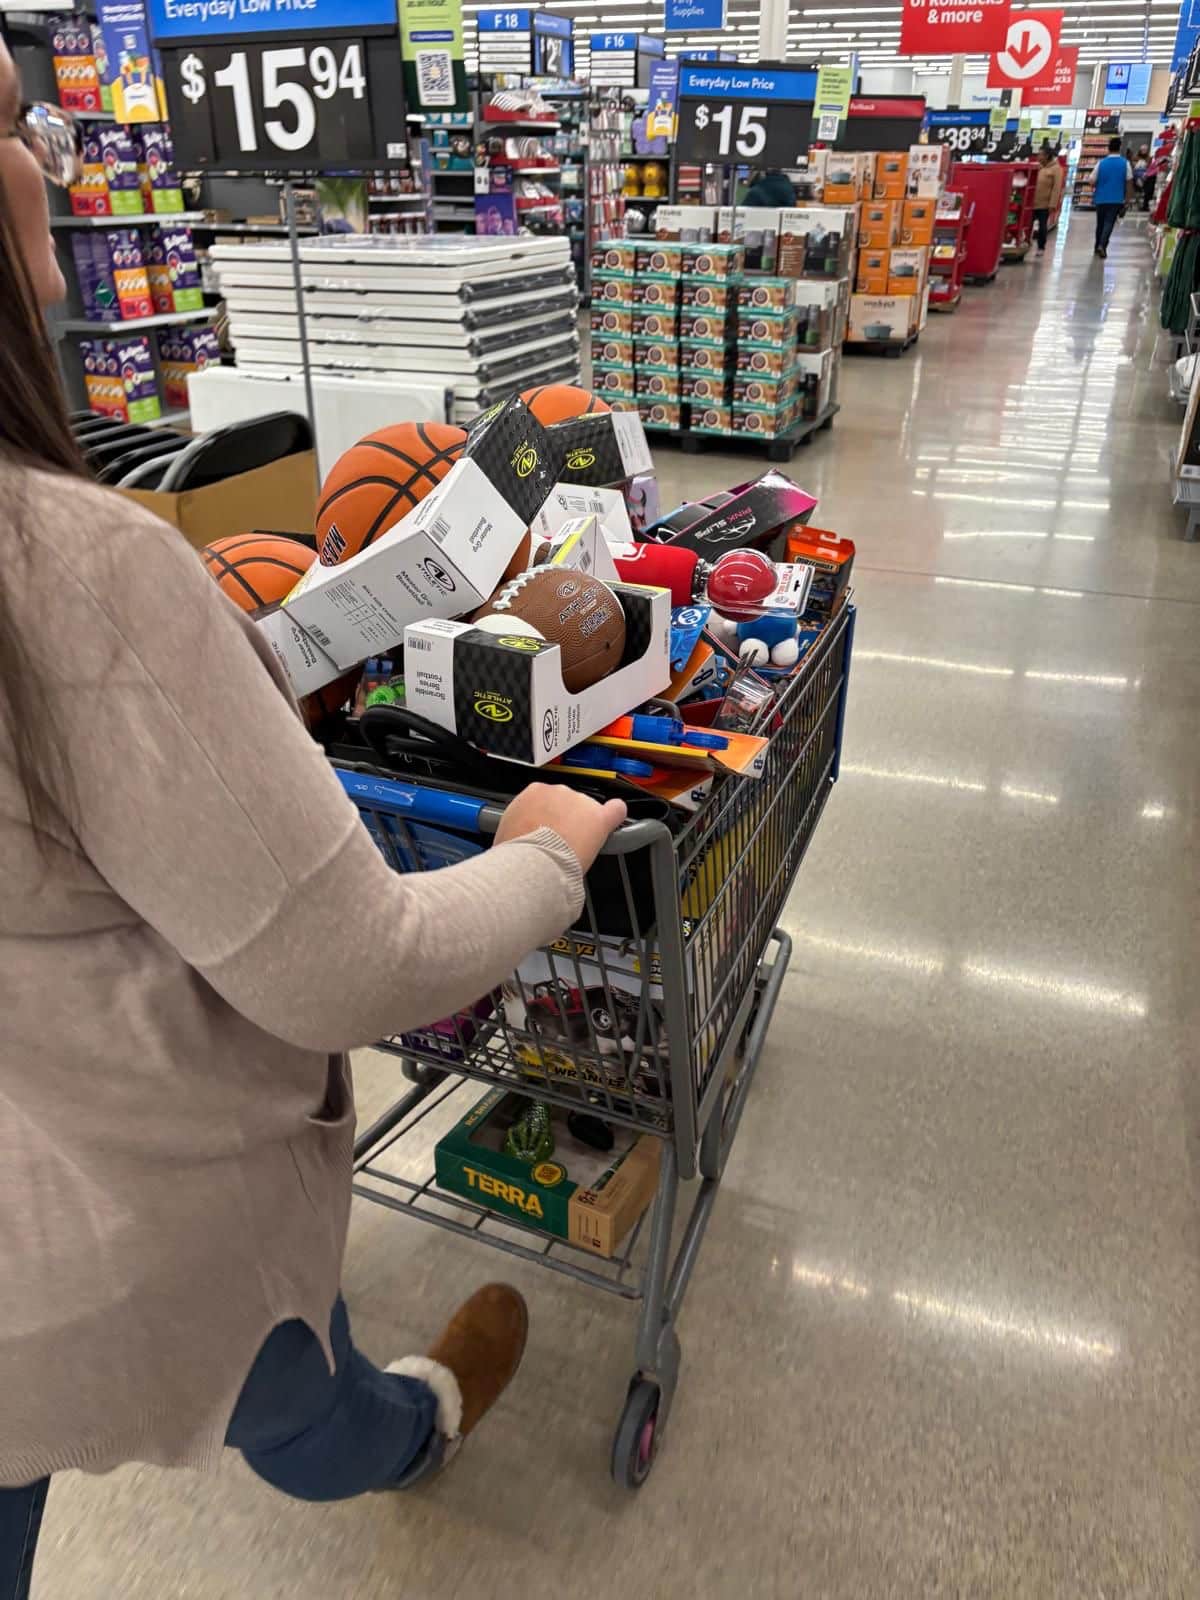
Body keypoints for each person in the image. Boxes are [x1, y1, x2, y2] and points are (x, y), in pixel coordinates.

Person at [0, 38, 627, 1600]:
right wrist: (546, 853)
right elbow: (350, 968)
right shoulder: (69, 574)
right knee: (297, 1394)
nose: (45, 155)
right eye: (11, 124)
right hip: (109, 1245)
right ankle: (418, 1428)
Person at [1092, 135, 1133, 259]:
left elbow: (1091, 180)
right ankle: (1102, 245)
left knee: (1100, 223)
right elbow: (1129, 182)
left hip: (1100, 198)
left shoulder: (1101, 163)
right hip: (1116, 199)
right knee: (1109, 222)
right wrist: (1127, 200)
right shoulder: (1125, 164)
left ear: (1108, 149)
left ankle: (1097, 246)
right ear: (1119, 148)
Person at [1032, 145, 1064, 257]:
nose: (1038, 156)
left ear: (1047, 156)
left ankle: (1041, 247)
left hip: (1045, 204)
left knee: (1042, 226)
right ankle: (1026, 243)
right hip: (1032, 203)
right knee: (1028, 225)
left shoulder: (1056, 169)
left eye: (1040, 154)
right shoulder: (1039, 167)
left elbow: (1057, 188)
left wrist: (1052, 204)